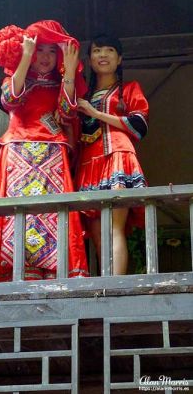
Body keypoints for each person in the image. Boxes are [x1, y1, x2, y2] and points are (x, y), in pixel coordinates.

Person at [0, 20, 89, 283]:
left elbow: (66, 111)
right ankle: (14, 270)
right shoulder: (15, 78)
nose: (46, 57)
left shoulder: (60, 83)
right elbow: (11, 99)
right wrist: (25, 56)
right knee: (18, 214)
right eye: (41, 50)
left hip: (52, 154)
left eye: (53, 52)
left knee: (52, 215)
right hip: (18, 152)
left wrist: (70, 72)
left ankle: (54, 271)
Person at [75, 34, 149, 275]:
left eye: (109, 50)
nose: (103, 55)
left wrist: (95, 113)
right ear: (89, 59)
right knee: (97, 232)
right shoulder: (82, 95)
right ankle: (105, 287)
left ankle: (116, 286)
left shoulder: (129, 88)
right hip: (88, 164)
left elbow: (139, 126)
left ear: (119, 59)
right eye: (97, 50)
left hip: (117, 156)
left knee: (115, 227)